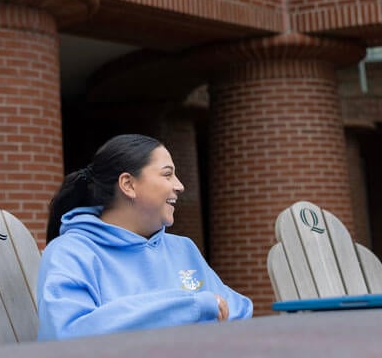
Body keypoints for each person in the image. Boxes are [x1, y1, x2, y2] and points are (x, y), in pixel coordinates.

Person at [37, 133, 252, 340]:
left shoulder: (183, 248)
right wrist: (191, 307)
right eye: (167, 174)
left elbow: (237, 313)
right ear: (128, 185)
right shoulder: (69, 253)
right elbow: (68, 335)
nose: (179, 185)